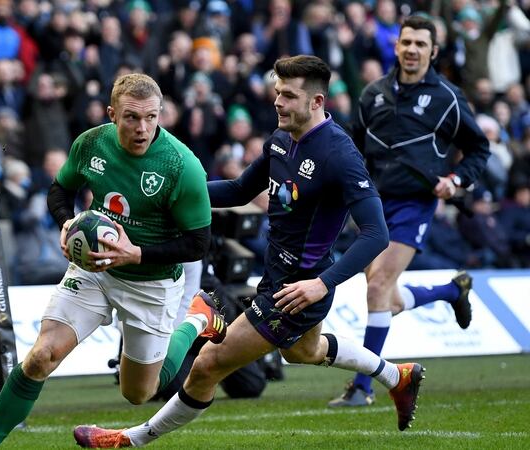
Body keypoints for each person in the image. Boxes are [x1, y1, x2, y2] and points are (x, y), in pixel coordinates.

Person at [72, 55, 423, 448]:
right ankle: (398, 376)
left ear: (317, 102)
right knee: (305, 351)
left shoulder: (339, 154)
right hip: (280, 277)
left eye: (288, 95)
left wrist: (322, 285)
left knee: (207, 366)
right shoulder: (280, 141)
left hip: (298, 291)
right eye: (277, 92)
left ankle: (129, 440)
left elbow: (376, 234)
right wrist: (172, 196)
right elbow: (240, 190)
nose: (277, 102)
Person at [0, 73, 224, 450]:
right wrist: (67, 223)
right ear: (112, 114)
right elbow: (61, 190)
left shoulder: (181, 166)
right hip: (93, 271)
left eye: (151, 117)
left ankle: (196, 318)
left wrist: (135, 253)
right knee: (41, 356)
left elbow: (198, 244)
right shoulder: (91, 143)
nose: (142, 128)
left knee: (139, 393)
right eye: (131, 117)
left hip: (151, 281)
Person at [329, 15, 490, 407]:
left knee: (378, 285)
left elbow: (479, 149)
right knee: (386, 296)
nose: (412, 50)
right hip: (372, 203)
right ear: (396, 47)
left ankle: (364, 387)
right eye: (406, 43)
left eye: (420, 44)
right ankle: (452, 290)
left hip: (414, 204)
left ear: (433, 52)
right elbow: (354, 148)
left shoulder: (447, 97)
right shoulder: (373, 94)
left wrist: (455, 181)